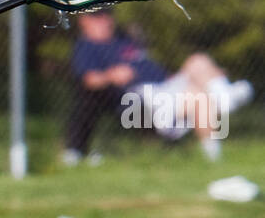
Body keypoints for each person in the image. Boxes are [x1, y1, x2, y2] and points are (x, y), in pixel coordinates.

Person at [62, 9, 253, 164]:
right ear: (84, 21)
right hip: (144, 99)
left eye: (107, 14)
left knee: (198, 62)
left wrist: (205, 76)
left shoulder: (123, 40)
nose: (105, 20)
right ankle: (222, 106)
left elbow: (159, 72)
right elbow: (89, 80)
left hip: (165, 86)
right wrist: (112, 74)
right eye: (97, 17)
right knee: (199, 96)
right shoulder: (87, 46)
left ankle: (223, 95)